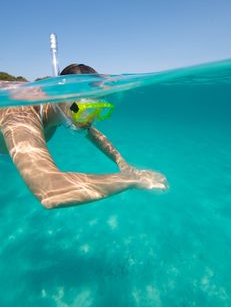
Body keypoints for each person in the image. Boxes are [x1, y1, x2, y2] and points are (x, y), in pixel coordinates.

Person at [0, 64, 168, 209]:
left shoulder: (62, 111)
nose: (89, 120)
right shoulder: (20, 116)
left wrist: (122, 162)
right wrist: (130, 180)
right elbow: (51, 192)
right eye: (86, 110)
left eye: (97, 110)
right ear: (60, 100)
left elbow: (89, 131)